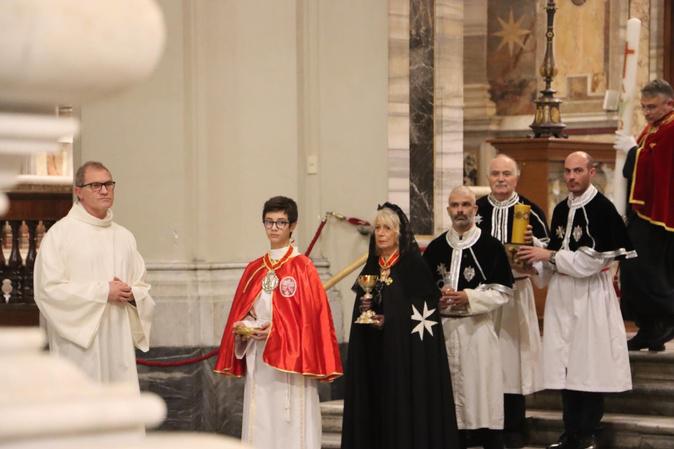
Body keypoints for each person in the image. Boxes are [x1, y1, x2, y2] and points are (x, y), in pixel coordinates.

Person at [518, 151, 635, 449]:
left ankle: (588, 433)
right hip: (562, 295)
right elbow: (553, 259)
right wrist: (534, 261)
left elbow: (590, 264)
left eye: (578, 171)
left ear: (592, 172)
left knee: (589, 366)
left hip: (589, 296)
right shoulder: (560, 210)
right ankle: (569, 432)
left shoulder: (602, 210)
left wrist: (549, 256)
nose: (571, 177)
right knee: (566, 366)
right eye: (568, 171)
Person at [214, 196, 342, 449]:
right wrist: (245, 331)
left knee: (291, 426)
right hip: (259, 361)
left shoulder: (303, 269)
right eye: (269, 222)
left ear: (292, 225)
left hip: (292, 366)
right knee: (260, 420)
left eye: (280, 222)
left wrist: (276, 331)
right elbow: (243, 314)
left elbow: (312, 324)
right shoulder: (254, 270)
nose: (273, 228)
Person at [341, 202, 460, 449]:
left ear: (399, 233)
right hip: (374, 354)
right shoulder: (372, 267)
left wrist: (391, 319)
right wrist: (366, 313)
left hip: (405, 358)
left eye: (387, 228)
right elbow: (363, 305)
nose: (381, 233)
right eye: (377, 228)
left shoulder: (413, 266)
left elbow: (423, 311)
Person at [34, 161, 155, 387]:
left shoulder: (124, 237)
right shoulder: (60, 235)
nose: (104, 190)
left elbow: (141, 286)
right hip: (79, 345)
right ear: (78, 192)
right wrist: (103, 291)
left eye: (109, 184)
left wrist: (131, 295)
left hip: (117, 342)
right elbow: (48, 291)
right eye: (96, 185)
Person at [424, 186, 514, 449]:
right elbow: (423, 291)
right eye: (455, 205)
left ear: (475, 210)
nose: (460, 210)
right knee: (449, 400)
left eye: (466, 205)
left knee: (480, 396)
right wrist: (435, 297)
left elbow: (501, 293)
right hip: (445, 330)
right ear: (448, 210)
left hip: (478, 332)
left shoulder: (491, 247)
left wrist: (469, 297)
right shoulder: (436, 248)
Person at [475, 154, 549, 448]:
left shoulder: (532, 211)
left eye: (507, 173)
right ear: (488, 177)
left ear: (516, 178)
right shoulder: (476, 209)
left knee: (513, 364)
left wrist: (533, 247)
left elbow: (548, 255)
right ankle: (484, 427)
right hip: (482, 298)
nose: (501, 179)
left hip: (517, 294)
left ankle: (514, 427)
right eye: (495, 174)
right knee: (483, 362)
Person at [615, 78, 674, 351]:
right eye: (644, 107)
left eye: (652, 107)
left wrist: (632, 152)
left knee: (644, 270)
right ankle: (648, 328)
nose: (647, 112)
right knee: (631, 271)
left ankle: (666, 318)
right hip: (643, 210)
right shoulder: (653, 128)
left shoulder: (671, 129)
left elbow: (659, 165)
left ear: (669, 103)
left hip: (659, 213)